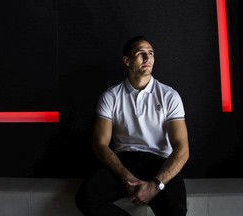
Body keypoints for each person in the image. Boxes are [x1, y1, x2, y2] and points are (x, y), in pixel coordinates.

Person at [75, 35, 190, 216]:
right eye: (140, 53)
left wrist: (156, 185)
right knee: (86, 197)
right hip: (124, 162)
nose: (147, 58)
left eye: (150, 53)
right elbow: (100, 145)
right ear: (126, 60)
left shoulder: (170, 96)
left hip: (160, 162)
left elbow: (182, 148)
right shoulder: (110, 96)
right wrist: (126, 177)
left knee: (176, 211)